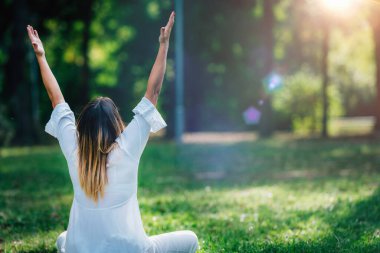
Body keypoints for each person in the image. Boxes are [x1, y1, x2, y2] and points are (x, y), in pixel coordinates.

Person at [27, 11, 198, 253]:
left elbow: (56, 99)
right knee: (190, 238)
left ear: (82, 127)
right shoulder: (127, 147)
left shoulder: (74, 149)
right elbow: (154, 92)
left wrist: (41, 56)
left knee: (62, 239)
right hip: (132, 249)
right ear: (116, 123)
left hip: (80, 250)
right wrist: (164, 44)